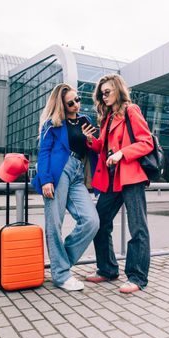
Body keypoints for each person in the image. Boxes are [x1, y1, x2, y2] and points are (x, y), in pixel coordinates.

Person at [82, 74, 154, 294]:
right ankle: (108, 268)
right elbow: (102, 147)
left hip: (131, 177)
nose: (104, 97)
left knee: (137, 227)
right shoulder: (108, 117)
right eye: (101, 93)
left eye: (107, 92)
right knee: (99, 222)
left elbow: (147, 142)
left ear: (118, 90)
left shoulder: (131, 110)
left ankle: (137, 277)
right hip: (112, 180)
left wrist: (122, 153)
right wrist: (89, 139)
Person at [31, 83, 99, 291]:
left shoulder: (85, 122)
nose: (76, 105)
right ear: (61, 104)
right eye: (71, 103)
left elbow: (95, 148)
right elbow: (43, 153)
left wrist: (90, 140)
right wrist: (46, 179)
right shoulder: (52, 124)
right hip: (57, 172)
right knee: (54, 223)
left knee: (91, 221)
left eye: (78, 100)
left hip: (78, 172)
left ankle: (60, 264)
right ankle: (61, 275)